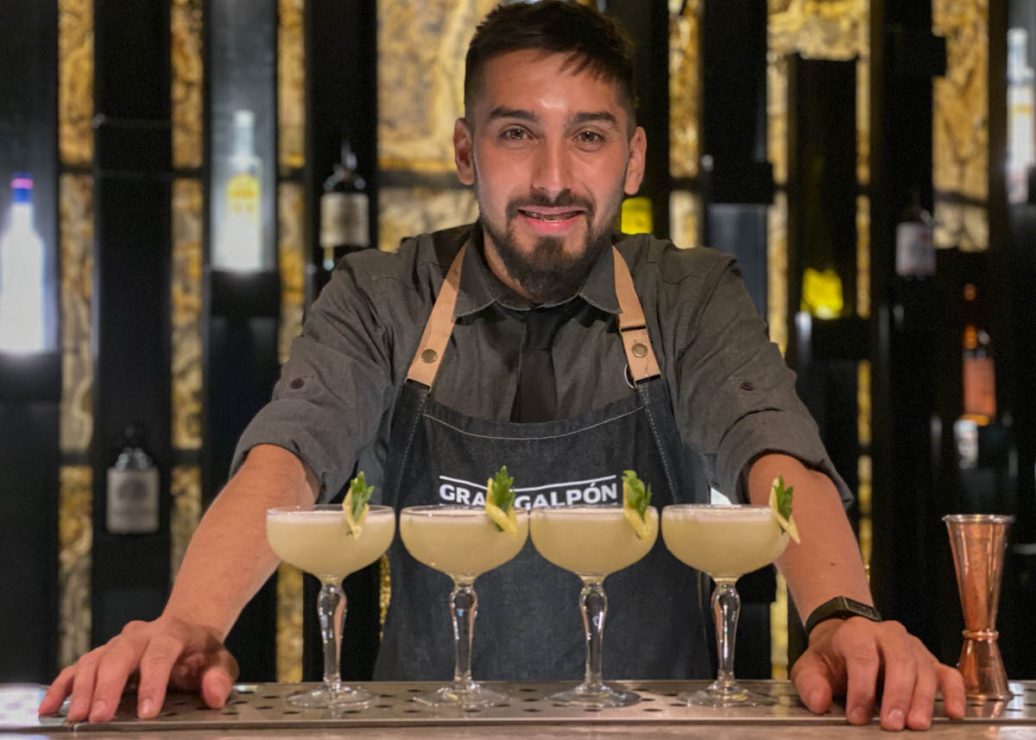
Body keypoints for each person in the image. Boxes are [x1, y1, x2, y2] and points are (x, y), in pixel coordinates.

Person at [40, 1, 964, 731]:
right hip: (425, 731)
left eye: (590, 135)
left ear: (633, 158)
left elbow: (776, 455)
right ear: (465, 150)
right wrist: (189, 626)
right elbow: (288, 457)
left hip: (654, 731)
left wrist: (841, 618)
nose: (554, 177)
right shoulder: (382, 292)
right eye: (517, 132)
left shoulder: (688, 294)